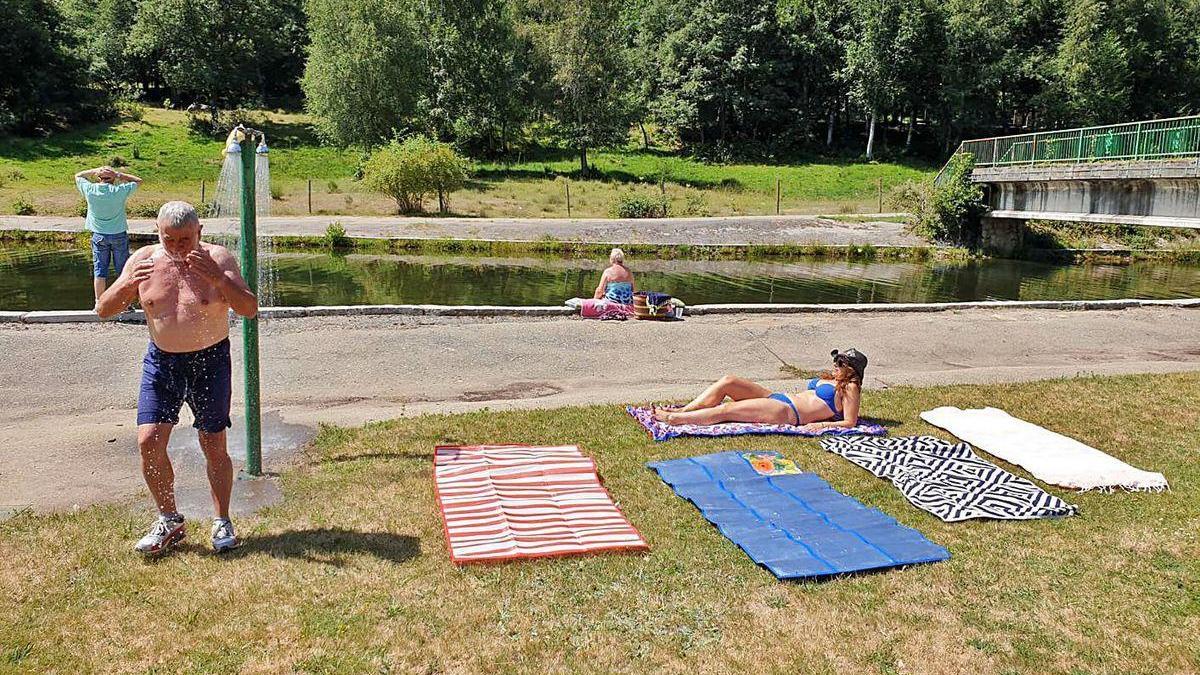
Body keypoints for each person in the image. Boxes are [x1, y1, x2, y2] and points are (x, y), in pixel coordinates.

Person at [96, 201, 258, 555]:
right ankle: (169, 519)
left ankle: (222, 520)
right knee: (148, 441)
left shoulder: (219, 258)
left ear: (199, 233)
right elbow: (103, 310)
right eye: (169, 239)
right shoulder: (143, 261)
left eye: (185, 239)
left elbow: (249, 308)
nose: (178, 247)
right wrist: (126, 287)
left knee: (213, 444)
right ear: (158, 233)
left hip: (210, 361)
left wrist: (218, 278)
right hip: (162, 361)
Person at [653, 349, 868, 431]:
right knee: (728, 381)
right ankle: (684, 411)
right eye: (836, 360)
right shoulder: (834, 379)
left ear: (852, 370)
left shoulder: (850, 387)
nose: (835, 365)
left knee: (728, 410)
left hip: (787, 412)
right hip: (777, 397)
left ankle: (674, 420)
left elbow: (850, 422)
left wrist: (819, 426)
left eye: (841, 363)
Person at [75, 165, 142, 303]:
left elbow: (78, 176)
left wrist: (94, 171)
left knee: (100, 270)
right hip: (118, 234)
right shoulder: (119, 191)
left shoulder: (90, 190)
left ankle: (99, 303)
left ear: (99, 178)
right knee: (123, 271)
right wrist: (118, 174)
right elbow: (138, 181)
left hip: (99, 235)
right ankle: (125, 304)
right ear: (113, 179)